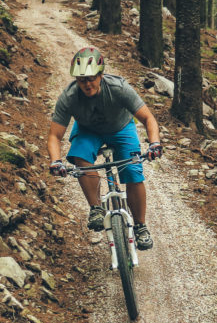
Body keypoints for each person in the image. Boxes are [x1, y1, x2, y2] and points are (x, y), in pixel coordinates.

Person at [47, 47, 163, 250]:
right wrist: (56, 161)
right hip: (88, 130)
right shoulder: (69, 96)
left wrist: (154, 143)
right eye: (82, 80)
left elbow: (147, 118)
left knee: (133, 171)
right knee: (79, 156)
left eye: (91, 78)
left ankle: (141, 227)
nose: (87, 84)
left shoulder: (117, 87)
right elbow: (54, 135)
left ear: (101, 75)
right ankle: (96, 209)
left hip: (121, 128)